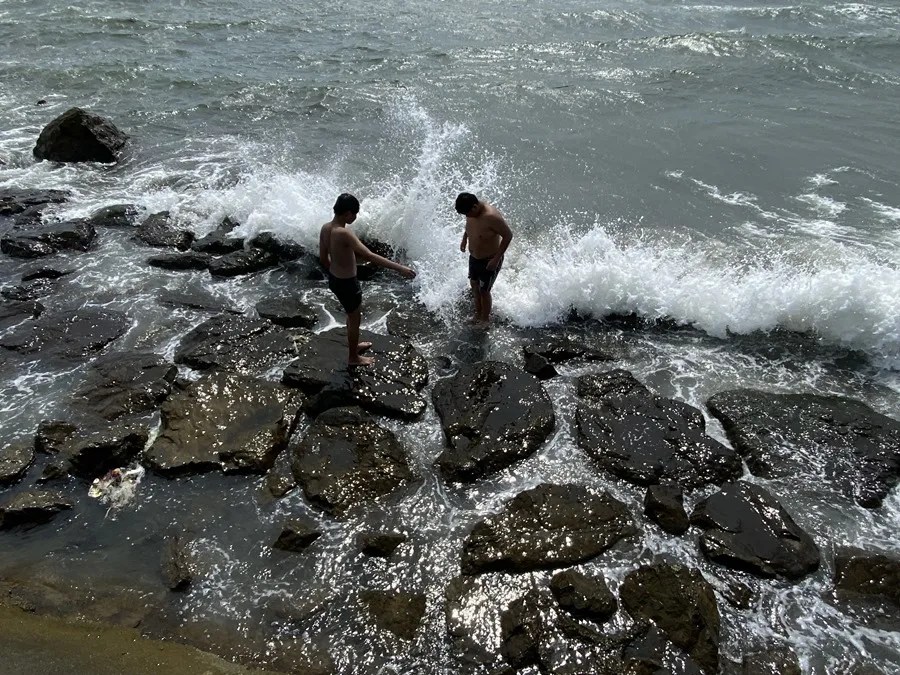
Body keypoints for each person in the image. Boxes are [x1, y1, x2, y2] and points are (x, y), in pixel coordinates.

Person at [319, 193, 416, 366]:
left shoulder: (326, 228)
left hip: (335, 280)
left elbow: (324, 259)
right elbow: (369, 255)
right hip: (347, 283)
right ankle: (353, 358)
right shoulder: (344, 233)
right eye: (354, 214)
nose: (355, 217)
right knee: (355, 318)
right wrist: (399, 268)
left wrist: (336, 271)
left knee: (351, 314)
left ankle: (353, 344)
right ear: (348, 213)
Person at [456, 192, 513, 325]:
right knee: (474, 285)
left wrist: (496, 259)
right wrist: (465, 239)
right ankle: (477, 313)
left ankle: (485, 319)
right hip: (474, 257)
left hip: (490, 260)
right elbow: (469, 226)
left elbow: (508, 235)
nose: (466, 217)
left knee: (484, 291)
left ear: (475, 207)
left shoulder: (491, 217)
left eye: (467, 214)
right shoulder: (471, 211)